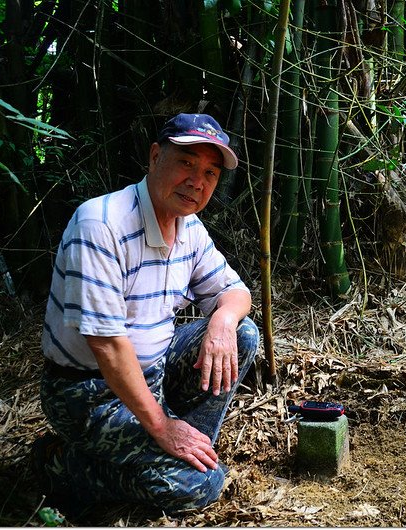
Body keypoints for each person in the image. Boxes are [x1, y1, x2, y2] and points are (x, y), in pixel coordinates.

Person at [33, 113, 259, 517]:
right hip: (87, 393)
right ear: (155, 157)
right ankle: (61, 466)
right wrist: (160, 426)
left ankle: (193, 442)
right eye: (186, 163)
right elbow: (106, 344)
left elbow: (235, 293)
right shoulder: (101, 225)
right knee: (201, 485)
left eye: (210, 172)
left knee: (243, 334)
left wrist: (223, 322)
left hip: (150, 371)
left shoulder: (188, 227)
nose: (197, 181)